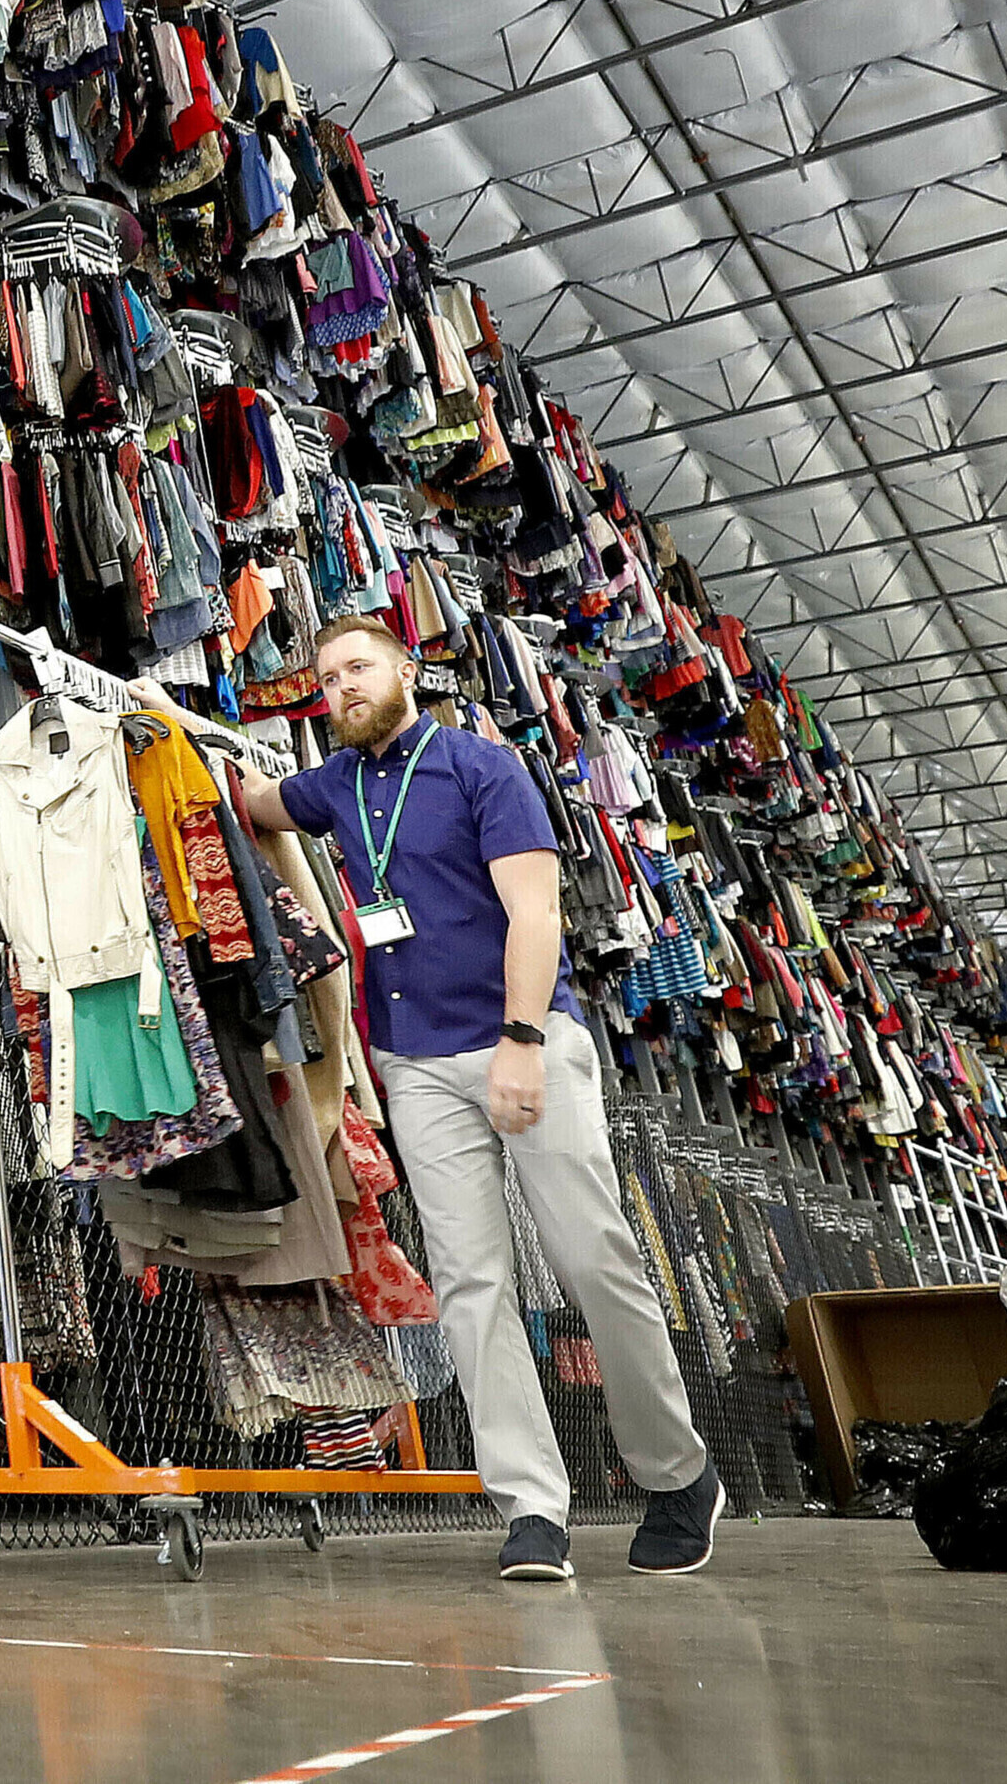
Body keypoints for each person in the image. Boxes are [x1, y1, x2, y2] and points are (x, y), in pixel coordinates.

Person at [228, 612, 723, 1582]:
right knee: (469, 1285)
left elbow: (534, 912)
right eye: (326, 678)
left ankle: (676, 1475)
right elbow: (252, 802)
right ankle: (531, 1506)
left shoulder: (478, 768)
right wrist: (152, 734)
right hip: (412, 1063)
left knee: (594, 1261)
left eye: (358, 668)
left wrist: (521, 1040)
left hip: (520, 1044)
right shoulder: (335, 784)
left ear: (404, 670)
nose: (342, 688)